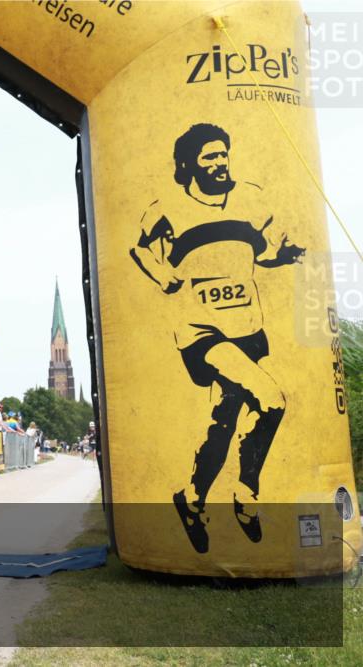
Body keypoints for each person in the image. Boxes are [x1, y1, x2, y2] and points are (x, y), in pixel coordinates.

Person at [130, 123, 304, 554]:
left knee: (222, 424)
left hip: (249, 327)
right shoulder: (168, 207)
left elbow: (260, 253)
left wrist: (283, 255)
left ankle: (190, 500)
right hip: (201, 331)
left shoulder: (251, 198)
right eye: (209, 156)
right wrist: (163, 274)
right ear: (189, 164)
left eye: (223, 153)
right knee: (272, 399)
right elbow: (140, 248)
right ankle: (246, 495)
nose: (219, 162)